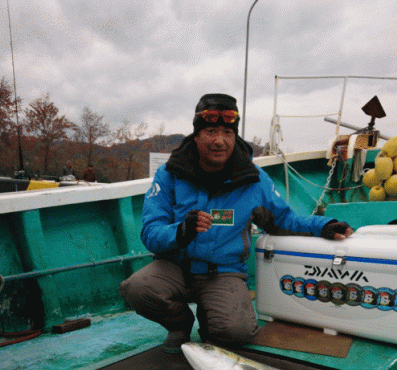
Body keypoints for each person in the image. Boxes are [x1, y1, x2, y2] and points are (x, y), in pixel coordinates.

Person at [120, 93, 353, 353]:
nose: (219, 141)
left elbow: (283, 219)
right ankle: (180, 324)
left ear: (235, 137)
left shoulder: (254, 179)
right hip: (176, 267)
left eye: (227, 133)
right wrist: (181, 231)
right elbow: (150, 232)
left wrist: (322, 226)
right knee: (136, 289)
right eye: (210, 131)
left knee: (236, 332)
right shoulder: (169, 174)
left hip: (222, 273)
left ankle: (213, 324)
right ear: (197, 136)